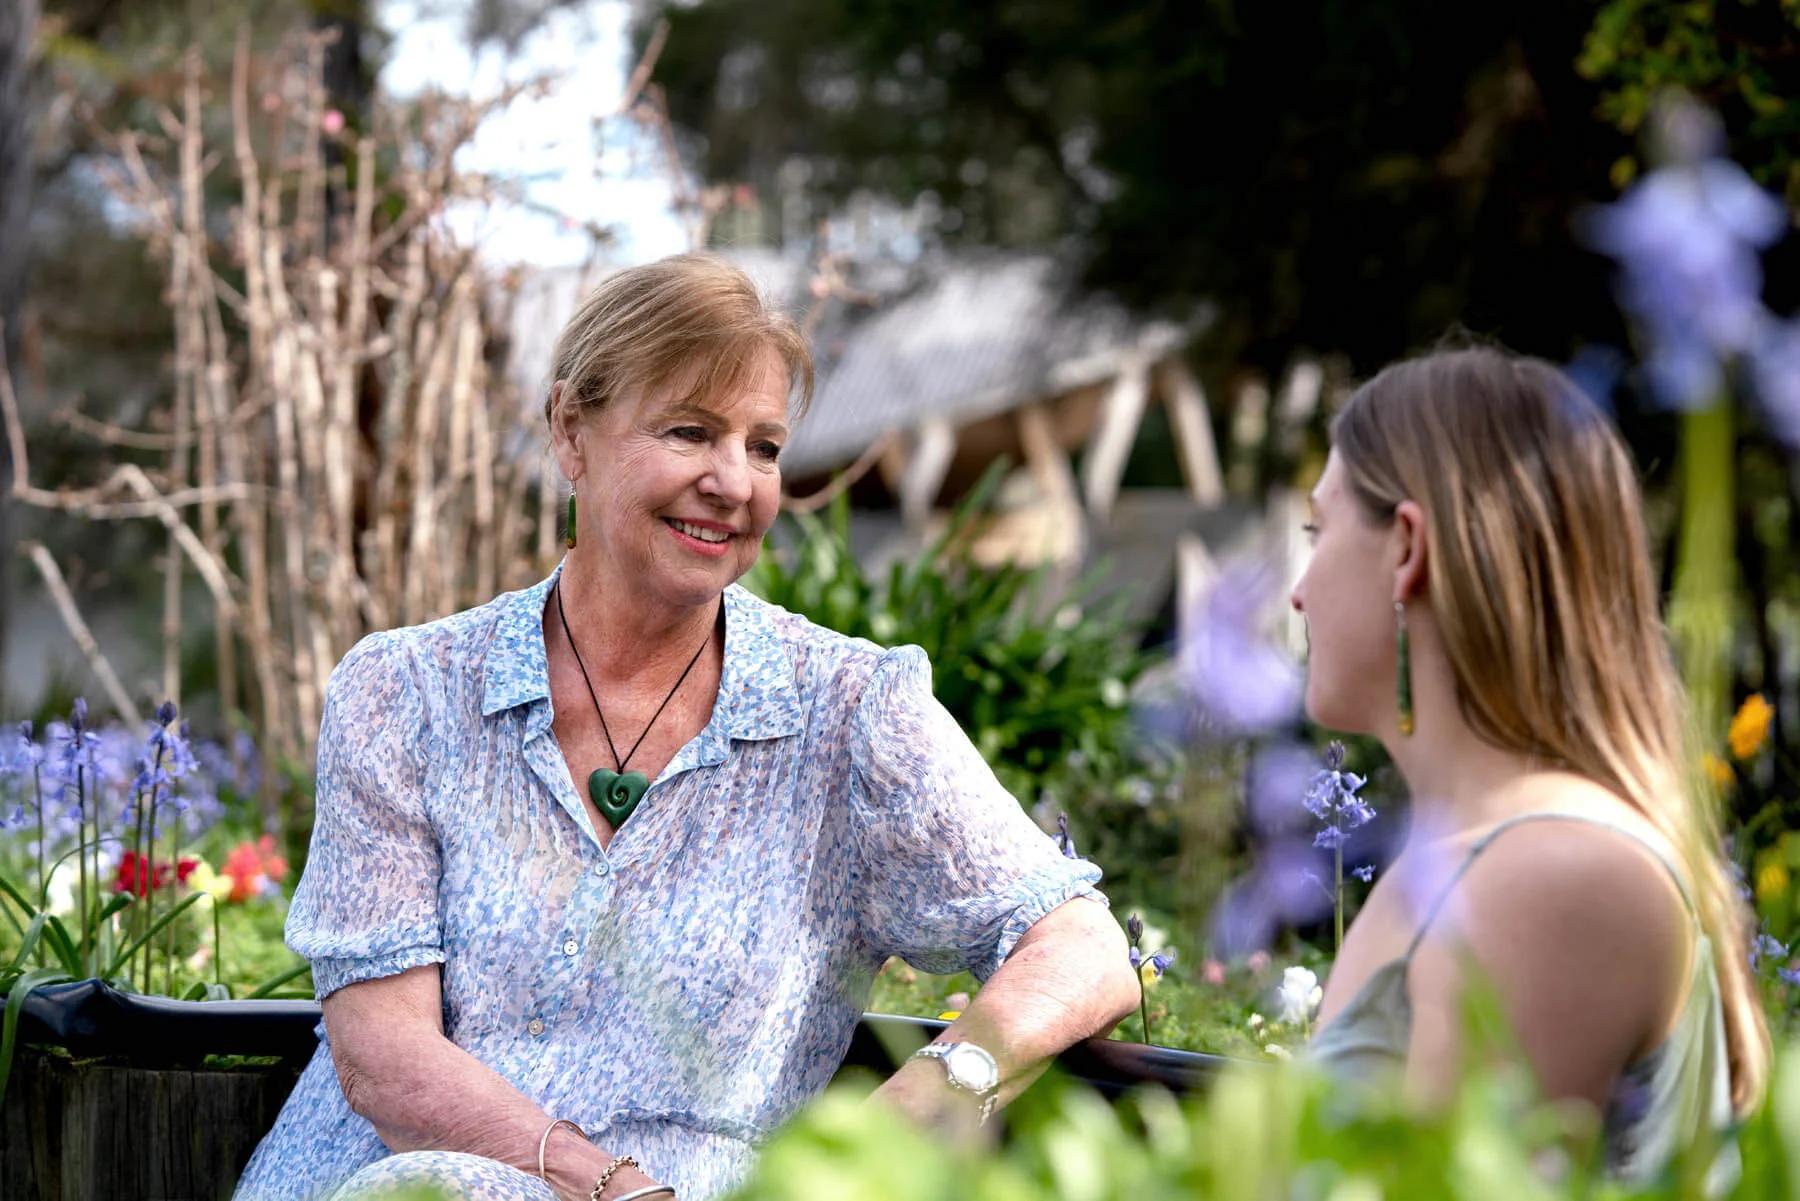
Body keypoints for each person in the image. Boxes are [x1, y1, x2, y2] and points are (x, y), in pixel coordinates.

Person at [235, 253, 1140, 1201]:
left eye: (764, 447)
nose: (733, 481)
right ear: (569, 430)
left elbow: (1080, 945)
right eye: (690, 432)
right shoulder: (406, 693)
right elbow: (383, 1056)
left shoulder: (847, 715)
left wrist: (926, 1099)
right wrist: (608, 1185)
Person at [1290, 344, 1767, 1185]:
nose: (1299, 588)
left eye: (1317, 531)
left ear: (1406, 547)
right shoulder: (1483, 853)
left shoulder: (1553, 873)